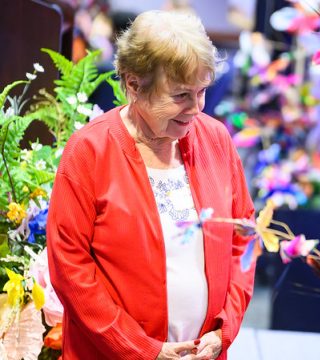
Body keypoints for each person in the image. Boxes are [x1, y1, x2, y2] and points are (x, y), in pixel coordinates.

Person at [46, 10, 255, 360]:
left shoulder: (216, 139)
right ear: (133, 84)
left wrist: (225, 329)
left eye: (202, 92)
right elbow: (71, 270)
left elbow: (243, 242)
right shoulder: (90, 150)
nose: (196, 108)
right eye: (180, 95)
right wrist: (143, 349)